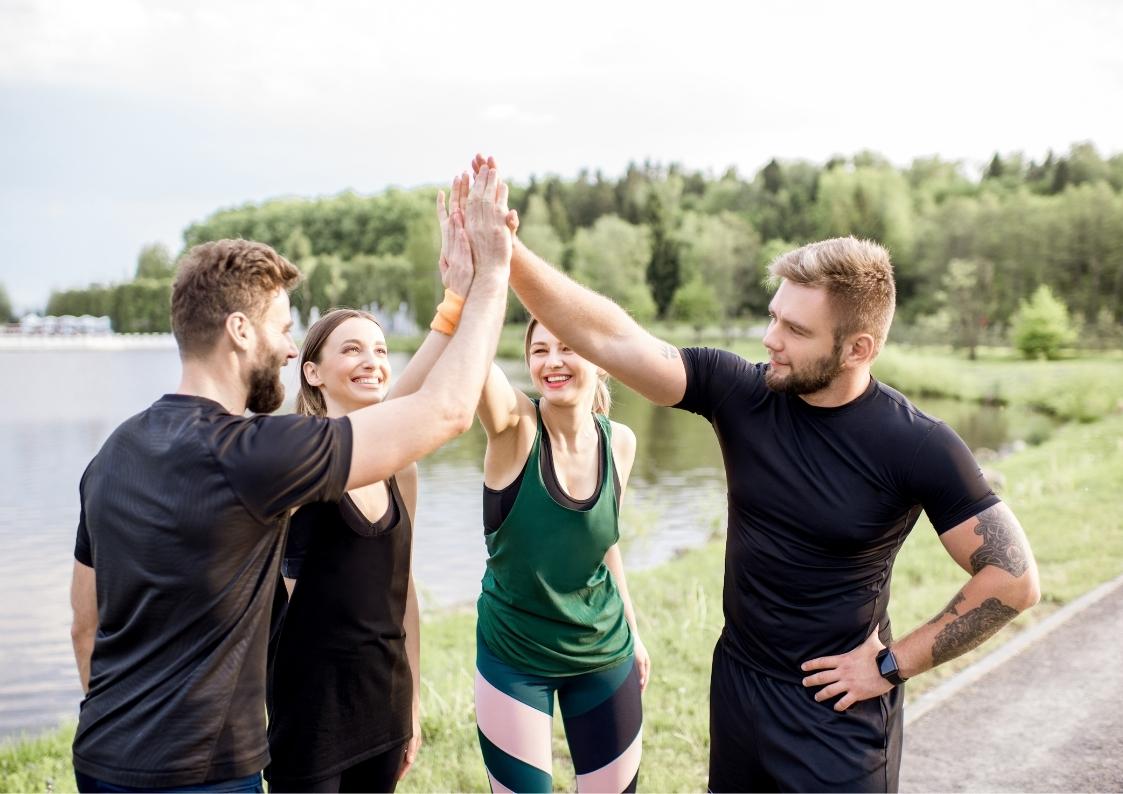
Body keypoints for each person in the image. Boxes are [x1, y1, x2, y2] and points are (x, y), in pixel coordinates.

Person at [492, 173, 1040, 792]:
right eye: (774, 316)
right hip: (739, 691)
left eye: (796, 331)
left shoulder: (917, 444)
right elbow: (615, 339)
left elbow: (1014, 578)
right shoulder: (742, 392)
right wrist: (507, 256)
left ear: (858, 348)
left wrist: (891, 664)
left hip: (838, 714)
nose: (770, 339)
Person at [67, 163, 515, 792]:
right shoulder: (252, 454)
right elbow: (443, 412)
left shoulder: (110, 455)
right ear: (239, 330)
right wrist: (493, 275)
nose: (286, 348)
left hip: (103, 759)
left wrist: (451, 305)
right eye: (282, 330)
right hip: (206, 774)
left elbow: (85, 625)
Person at [266, 192, 477, 793]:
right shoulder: (297, 461)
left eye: (381, 350)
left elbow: (401, 591)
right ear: (312, 370)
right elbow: (398, 406)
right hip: (309, 715)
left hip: (382, 703)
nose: (373, 362)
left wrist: (410, 701)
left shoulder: (398, 470)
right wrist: (456, 305)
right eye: (351, 349)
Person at [471, 316, 649, 793]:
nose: (552, 362)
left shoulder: (621, 443)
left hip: (603, 650)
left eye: (568, 347)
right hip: (515, 656)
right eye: (539, 351)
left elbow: (604, 544)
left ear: (599, 359)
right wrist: (472, 287)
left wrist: (633, 631)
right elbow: (477, 360)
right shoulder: (514, 430)